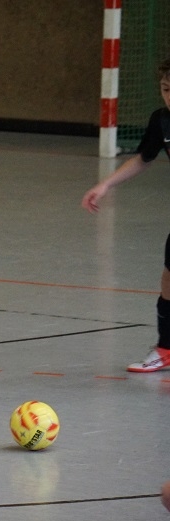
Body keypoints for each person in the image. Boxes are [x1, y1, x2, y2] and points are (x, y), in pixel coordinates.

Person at [82, 57, 170, 372]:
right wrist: (105, 184)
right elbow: (144, 158)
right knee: (169, 281)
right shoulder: (162, 121)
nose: (169, 96)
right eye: (166, 89)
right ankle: (166, 349)